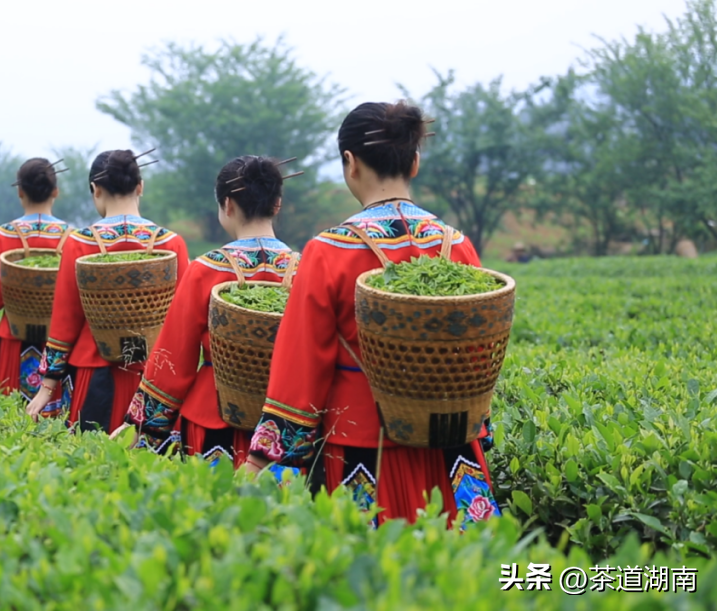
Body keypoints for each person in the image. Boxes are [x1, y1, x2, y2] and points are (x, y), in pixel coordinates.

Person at [242, 101, 501, 528]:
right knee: (463, 578)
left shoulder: (328, 251)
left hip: (361, 447)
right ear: (414, 162)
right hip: (449, 448)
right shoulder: (457, 246)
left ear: (350, 162)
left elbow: (301, 367)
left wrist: (262, 457)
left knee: (368, 579)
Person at [113, 156, 298, 467]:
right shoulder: (303, 270)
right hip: (281, 422)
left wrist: (139, 424)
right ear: (277, 204)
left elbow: (175, 355)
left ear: (227, 205)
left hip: (212, 414)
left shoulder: (207, 269)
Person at [25, 149, 189, 433]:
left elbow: (66, 319)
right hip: (151, 375)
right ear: (140, 186)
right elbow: (182, 321)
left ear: (95, 189)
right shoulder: (171, 244)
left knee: (91, 462)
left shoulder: (79, 244)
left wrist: (48, 386)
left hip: (94, 369)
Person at [0, 157, 74, 417]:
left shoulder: (2, 236)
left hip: (13, 345)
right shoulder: (73, 238)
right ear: (55, 192)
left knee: (6, 425)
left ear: (20, 191)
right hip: (58, 349)